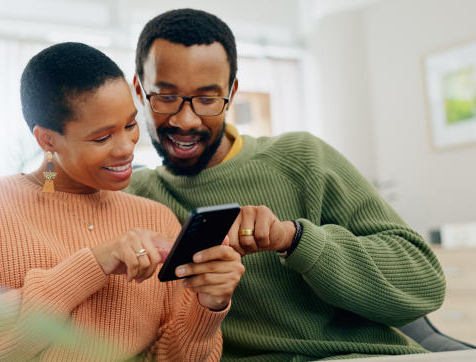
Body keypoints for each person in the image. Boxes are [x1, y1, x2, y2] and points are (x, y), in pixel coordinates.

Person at [0, 42, 244, 362]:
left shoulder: (153, 216)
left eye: (129, 124)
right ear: (47, 140)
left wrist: (208, 308)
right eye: (102, 137)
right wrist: (95, 262)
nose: (127, 148)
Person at [123, 8, 446, 361]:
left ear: (232, 92)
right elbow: (48, 186)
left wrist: (295, 238)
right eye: (166, 97)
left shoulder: (302, 158)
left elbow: (425, 284)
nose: (186, 120)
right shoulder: (128, 195)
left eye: (207, 99)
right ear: (139, 90)